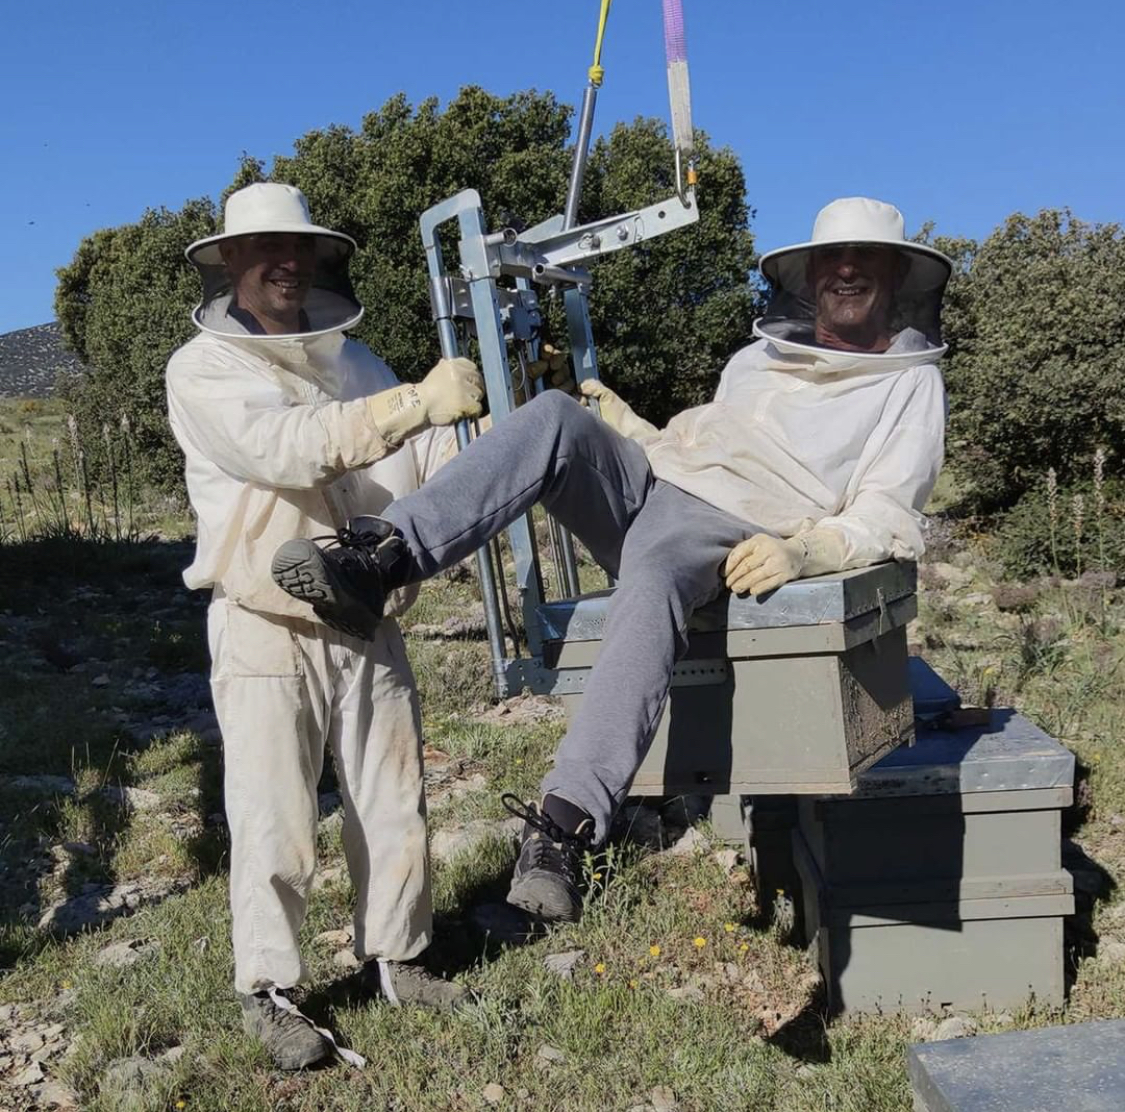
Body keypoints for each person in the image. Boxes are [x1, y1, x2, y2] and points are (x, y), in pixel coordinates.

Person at [270, 196, 952, 927]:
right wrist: (639, 436)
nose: (845, 272)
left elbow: (888, 510)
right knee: (552, 417)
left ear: (896, 277)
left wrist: (806, 550)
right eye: (832, 260)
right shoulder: (755, 358)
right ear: (809, 275)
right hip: (652, 484)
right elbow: (717, 450)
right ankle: (380, 559)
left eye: (864, 260)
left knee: (651, 577)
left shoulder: (907, 382)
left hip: (732, 529)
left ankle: (565, 828)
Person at [165, 182, 484, 1070]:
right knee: (273, 814)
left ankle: (399, 958)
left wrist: (485, 424)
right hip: (266, 619)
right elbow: (283, 448)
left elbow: (422, 460)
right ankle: (269, 991)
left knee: (393, 802)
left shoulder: (355, 359)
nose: (288, 263)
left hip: (367, 612)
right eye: (267, 248)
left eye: (300, 248)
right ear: (229, 259)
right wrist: (410, 406)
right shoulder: (203, 369)